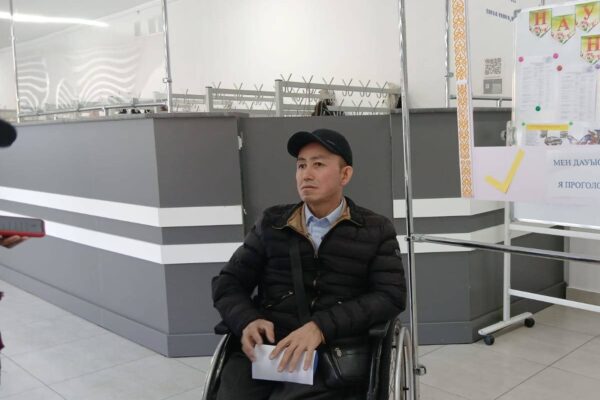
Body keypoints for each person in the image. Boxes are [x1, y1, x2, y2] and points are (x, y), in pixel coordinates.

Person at [212, 128, 406, 400]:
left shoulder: (374, 230)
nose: (306, 174)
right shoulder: (272, 224)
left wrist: (320, 327)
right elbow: (228, 282)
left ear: (345, 175)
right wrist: (247, 319)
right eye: (301, 165)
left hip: (333, 350)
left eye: (318, 164)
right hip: (269, 348)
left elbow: (390, 295)